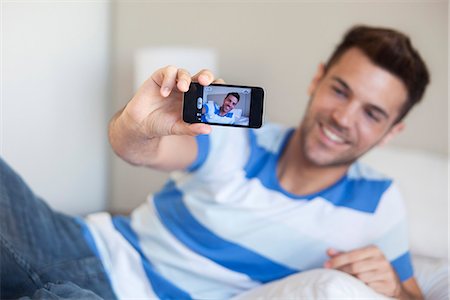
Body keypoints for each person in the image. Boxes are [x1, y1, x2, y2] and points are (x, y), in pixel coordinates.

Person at [0, 25, 430, 299]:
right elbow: (135, 150)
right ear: (317, 79)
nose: (343, 117)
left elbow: (412, 295)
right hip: (79, 240)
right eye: (340, 90)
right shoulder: (236, 136)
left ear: (392, 131)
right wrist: (137, 125)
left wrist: (394, 289)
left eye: (372, 114)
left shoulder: (379, 205)